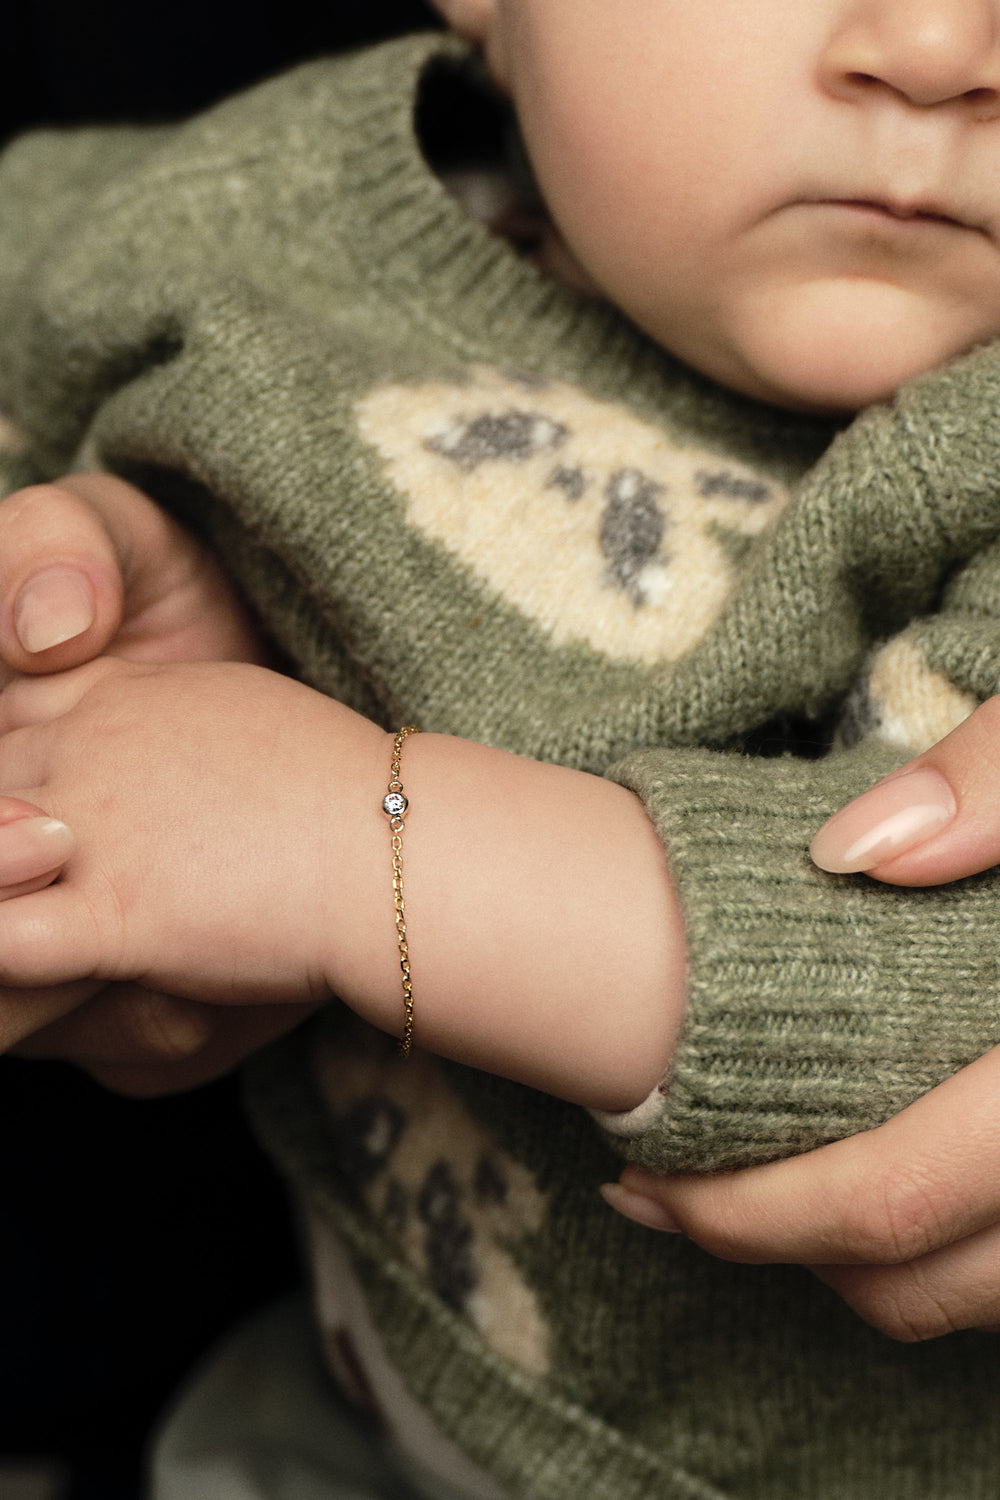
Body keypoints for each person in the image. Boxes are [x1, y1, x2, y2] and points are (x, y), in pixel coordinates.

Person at [3, 0, 1000, 1495]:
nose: (930, 47)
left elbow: (936, 1015)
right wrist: (71, 572)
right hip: (354, 1379)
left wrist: (334, 840)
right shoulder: (245, 213)